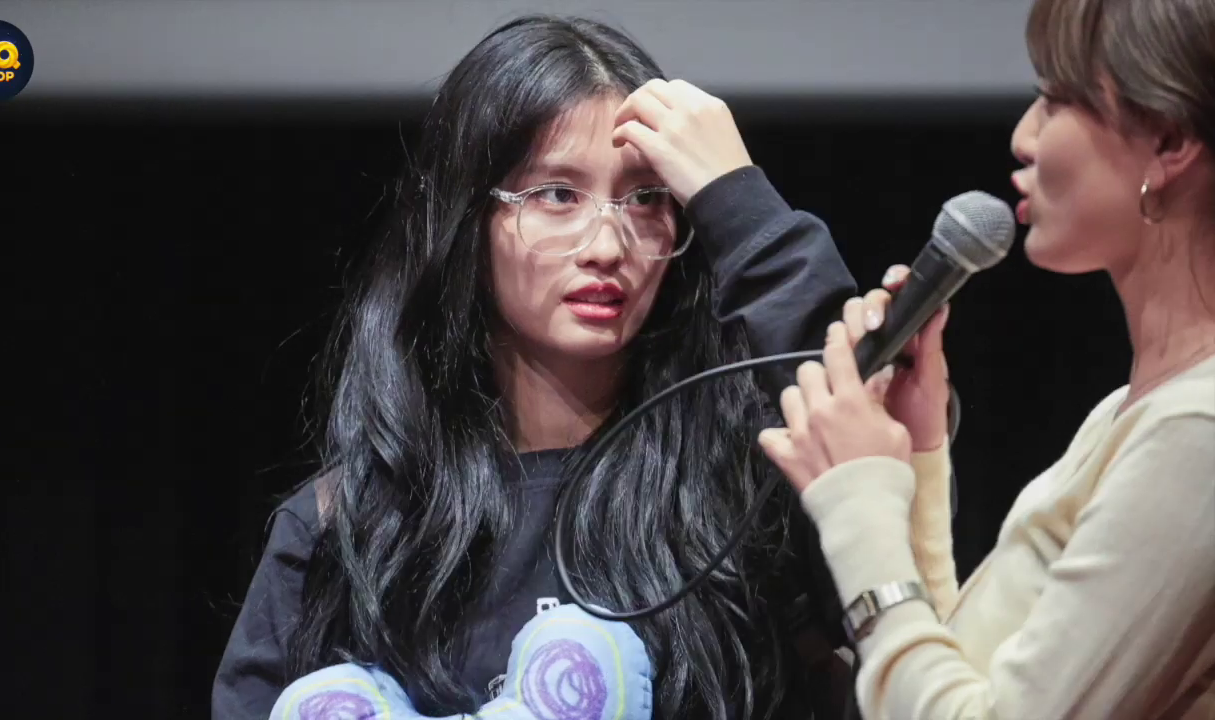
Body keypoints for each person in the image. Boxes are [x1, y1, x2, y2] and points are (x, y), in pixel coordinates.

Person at [214, 14, 863, 720]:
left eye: (646, 197)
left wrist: (737, 195)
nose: (608, 245)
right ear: (469, 223)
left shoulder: (750, 485)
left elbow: (874, 417)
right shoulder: (348, 524)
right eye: (557, 194)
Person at [758, 0, 1215, 717]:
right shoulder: (1133, 411)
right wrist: (914, 453)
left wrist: (858, 501)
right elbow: (956, 685)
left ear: (1170, 140)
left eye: (1057, 99)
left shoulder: (1196, 430)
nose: (1023, 135)